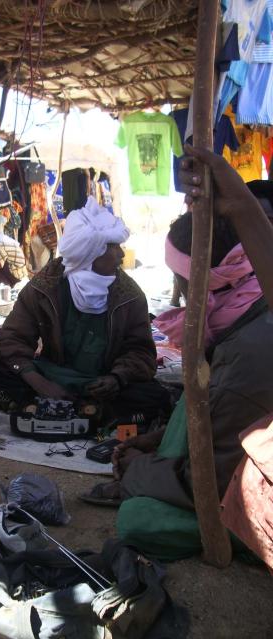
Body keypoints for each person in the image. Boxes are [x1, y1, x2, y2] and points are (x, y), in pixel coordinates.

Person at [81, 145, 273, 562]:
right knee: (190, 391)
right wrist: (158, 441)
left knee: (138, 518)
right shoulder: (248, 312)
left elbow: (210, 484)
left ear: (195, 281)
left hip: (251, 486)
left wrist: (137, 469)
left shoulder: (246, 353)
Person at [0, 188, 169, 421]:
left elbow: (141, 352)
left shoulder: (129, 296)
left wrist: (116, 378)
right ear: (91, 253)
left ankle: (44, 407)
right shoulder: (44, 288)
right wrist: (37, 380)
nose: (121, 255)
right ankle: (84, 411)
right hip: (49, 377)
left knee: (156, 397)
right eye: (114, 247)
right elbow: (12, 340)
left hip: (100, 384)